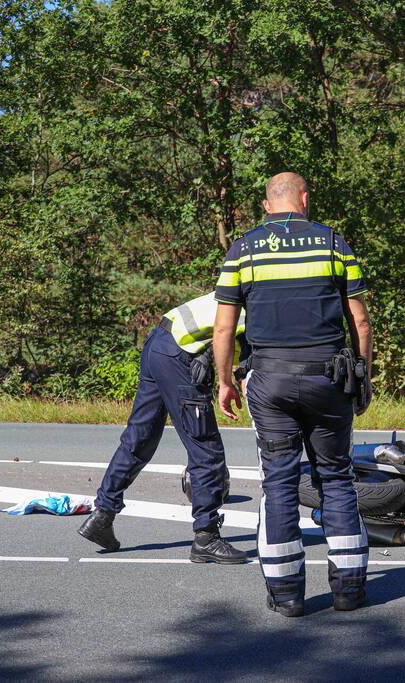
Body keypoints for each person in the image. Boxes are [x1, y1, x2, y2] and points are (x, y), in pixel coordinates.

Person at [213, 172, 373, 618]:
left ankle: (286, 596)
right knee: (337, 478)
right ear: (305, 199)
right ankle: (349, 590)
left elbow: (224, 326)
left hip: (270, 381)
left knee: (279, 482)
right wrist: (362, 376)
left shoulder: (243, 249)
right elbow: (360, 322)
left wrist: (225, 381)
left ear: (267, 206)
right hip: (329, 379)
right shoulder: (333, 244)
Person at [78, 294, 249, 565]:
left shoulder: (249, 285)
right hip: (178, 354)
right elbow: (234, 342)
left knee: (140, 438)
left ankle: (102, 515)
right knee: (205, 447)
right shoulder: (266, 305)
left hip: (159, 341)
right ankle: (206, 537)